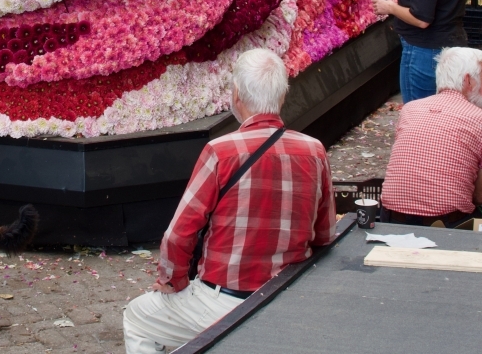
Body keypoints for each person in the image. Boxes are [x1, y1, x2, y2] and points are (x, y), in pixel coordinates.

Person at [123, 49, 335, 354]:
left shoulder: (220, 151)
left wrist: (173, 281)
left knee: (138, 317)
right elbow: (325, 235)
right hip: (286, 299)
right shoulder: (314, 151)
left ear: (236, 94)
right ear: (282, 96)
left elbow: (178, 235)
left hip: (224, 301)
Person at [379, 47, 482, 227]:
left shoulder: (410, 109)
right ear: (468, 80)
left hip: (392, 218)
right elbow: (480, 196)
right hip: (446, 224)